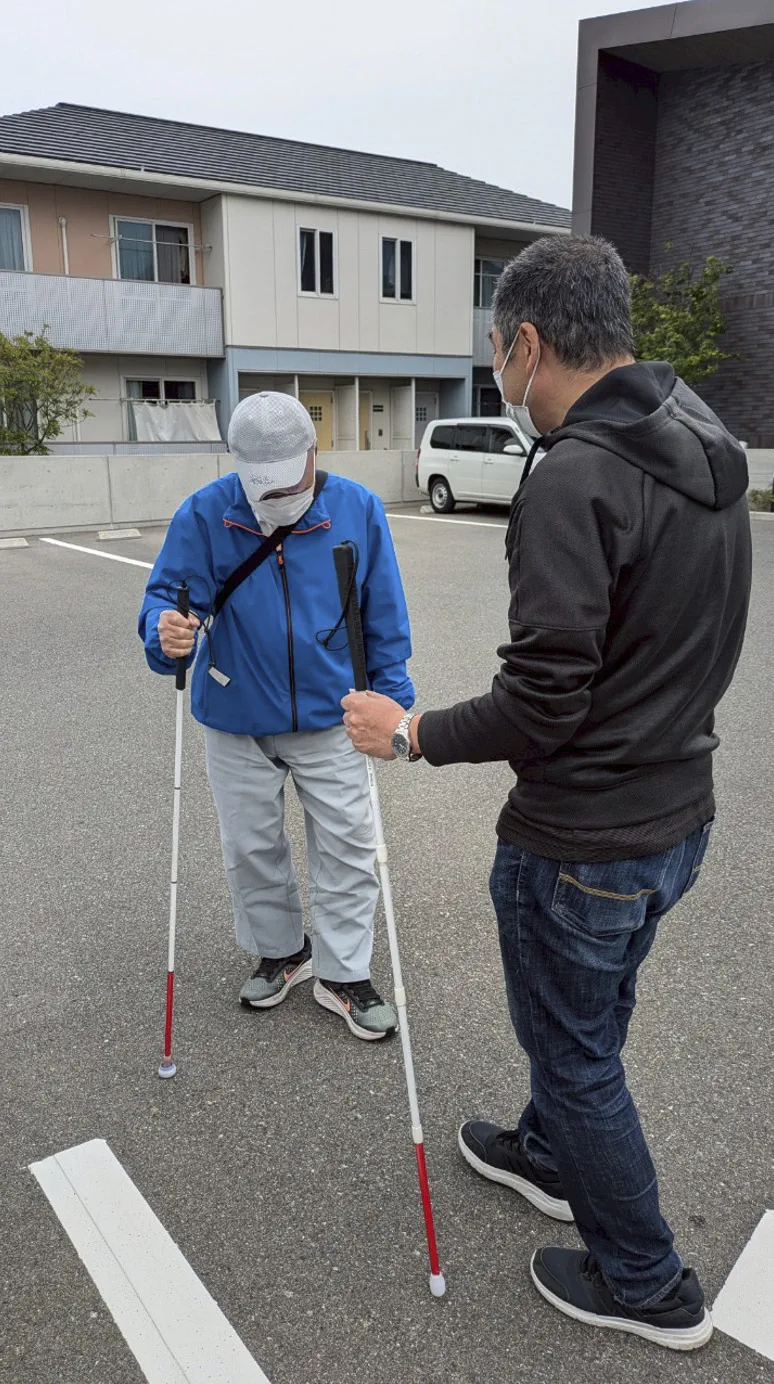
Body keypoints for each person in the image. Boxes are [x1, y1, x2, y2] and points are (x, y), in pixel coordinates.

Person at [342, 236, 752, 1347]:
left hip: (584, 836)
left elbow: (541, 700)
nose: (498, 376)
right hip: (677, 812)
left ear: (526, 344)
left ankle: (649, 1283)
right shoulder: (702, 435)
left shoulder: (575, 474)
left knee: (576, 1049)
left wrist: (410, 732)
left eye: (495, 353)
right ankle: (549, 1150)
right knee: (590, 1014)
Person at [139, 391, 415, 1041]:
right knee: (250, 847)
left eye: (289, 483)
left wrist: (394, 703)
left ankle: (344, 973)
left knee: (348, 846)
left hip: (333, 712)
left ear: (313, 453)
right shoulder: (204, 514)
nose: (278, 497)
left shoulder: (357, 508)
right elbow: (168, 600)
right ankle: (282, 951)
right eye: (264, 487)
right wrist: (165, 631)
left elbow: (383, 611)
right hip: (236, 713)